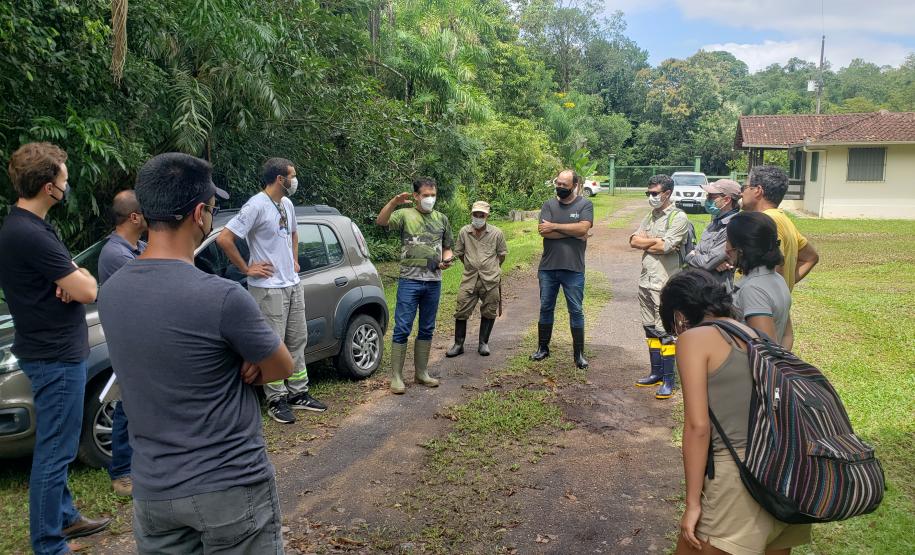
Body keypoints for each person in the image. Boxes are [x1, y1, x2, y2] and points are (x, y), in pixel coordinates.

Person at [99, 152, 294, 554]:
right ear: (200, 213)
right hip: (229, 484)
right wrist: (248, 363)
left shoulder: (112, 292)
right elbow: (280, 365)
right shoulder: (221, 296)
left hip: (154, 492)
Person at [0, 142, 110, 554]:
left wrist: (72, 278)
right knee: (55, 451)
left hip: (49, 348)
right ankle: (48, 543)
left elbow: (74, 279)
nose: (68, 184)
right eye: (64, 178)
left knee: (56, 445)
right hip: (55, 355)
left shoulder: (26, 227)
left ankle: (65, 518)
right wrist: (76, 281)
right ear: (49, 187)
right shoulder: (29, 233)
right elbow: (87, 287)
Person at [659, 269, 812, 555]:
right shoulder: (757, 335)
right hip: (786, 473)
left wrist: (693, 504)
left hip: (737, 480)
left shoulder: (694, 339)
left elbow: (698, 427)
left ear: (679, 315)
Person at [217, 158, 326, 424]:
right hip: (268, 289)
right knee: (272, 345)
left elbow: (293, 234)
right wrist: (246, 268)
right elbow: (224, 238)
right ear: (280, 179)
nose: (295, 180)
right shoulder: (255, 205)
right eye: (293, 175)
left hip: (291, 284)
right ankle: (276, 399)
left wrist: (295, 260)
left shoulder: (286, 204)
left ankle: (299, 393)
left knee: (297, 340)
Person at [376, 177, 454, 394]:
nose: (430, 199)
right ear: (416, 196)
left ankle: (421, 373)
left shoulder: (442, 219)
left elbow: (448, 247)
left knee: (427, 328)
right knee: (402, 328)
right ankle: (397, 377)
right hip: (410, 280)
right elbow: (381, 221)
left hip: (433, 281)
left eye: (433, 195)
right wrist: (393, 202)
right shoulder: (405, 215)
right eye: (426, 195)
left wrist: (447, 259)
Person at [97, 189, 147, 497]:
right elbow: (145, 288)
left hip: (143, 336)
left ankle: (140, 465)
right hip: (129, 339)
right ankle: (121, 473)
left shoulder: (138, 246)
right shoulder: (115, 254)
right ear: (134, 217)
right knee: (126, 407)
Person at [629, 174, 691, 400]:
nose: (651, 197)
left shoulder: (678, 217)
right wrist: (652, 242)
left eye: (654, 193)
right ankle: (655, 372)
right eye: (649, 193)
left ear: (667, 193)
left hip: (664, 283)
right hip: (646, 280)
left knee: (665, 331)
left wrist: (650, 242)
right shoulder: (651, 216)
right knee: (649, 328)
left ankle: (668, 380)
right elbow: (633, 240)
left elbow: (666, 246)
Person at [530, 169, 594, 370]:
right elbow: (544, 232)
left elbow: (583, 229)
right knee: (545, 307)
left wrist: (556, 227)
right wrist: (573, 231)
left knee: (576, 310)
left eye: (564, 185)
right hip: (548, 268)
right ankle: (543, 348)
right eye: (558, 183)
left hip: (573, 268)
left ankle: (579, 354)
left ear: (574, 186)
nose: (560, 187)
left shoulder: (585, 204)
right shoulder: (548, 204)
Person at [740, 165, 819, 292]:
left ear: (758, 190)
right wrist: (786, 284)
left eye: (744, 187)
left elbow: (775, 267)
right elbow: (810, 257)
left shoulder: (764, 222)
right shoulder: (784, 220)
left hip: (759, 307)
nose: (741, 192)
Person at [446, 200, 507, 357]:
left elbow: (501, 255)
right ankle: (458, 344)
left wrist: (491, 268)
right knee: (461, 310)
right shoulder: (464, 232)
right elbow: (459, 253)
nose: (478, 217)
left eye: (482, 215)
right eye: (475, 214)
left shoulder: (497, 233)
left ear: (487, 216)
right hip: (470, 278)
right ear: (471, 214)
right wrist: (470, 265)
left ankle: (483, 343)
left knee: (489, 310)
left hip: (490, 279)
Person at [727, 212, 793, 349]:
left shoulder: (753, 290)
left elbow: (767, 350)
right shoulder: (777, 279)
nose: (726, 248)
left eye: (728, 241)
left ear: (740, 250)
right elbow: (787, 336)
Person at [685, 179, 740, 293]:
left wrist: (690, 257)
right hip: (702, 287)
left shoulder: (733, 226)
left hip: (717, 291)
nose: (707, 199)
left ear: (726, 200)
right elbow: (705, 257)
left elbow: (707, 263)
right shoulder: (715, 222)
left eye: (711, 197)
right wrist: (707, 260)